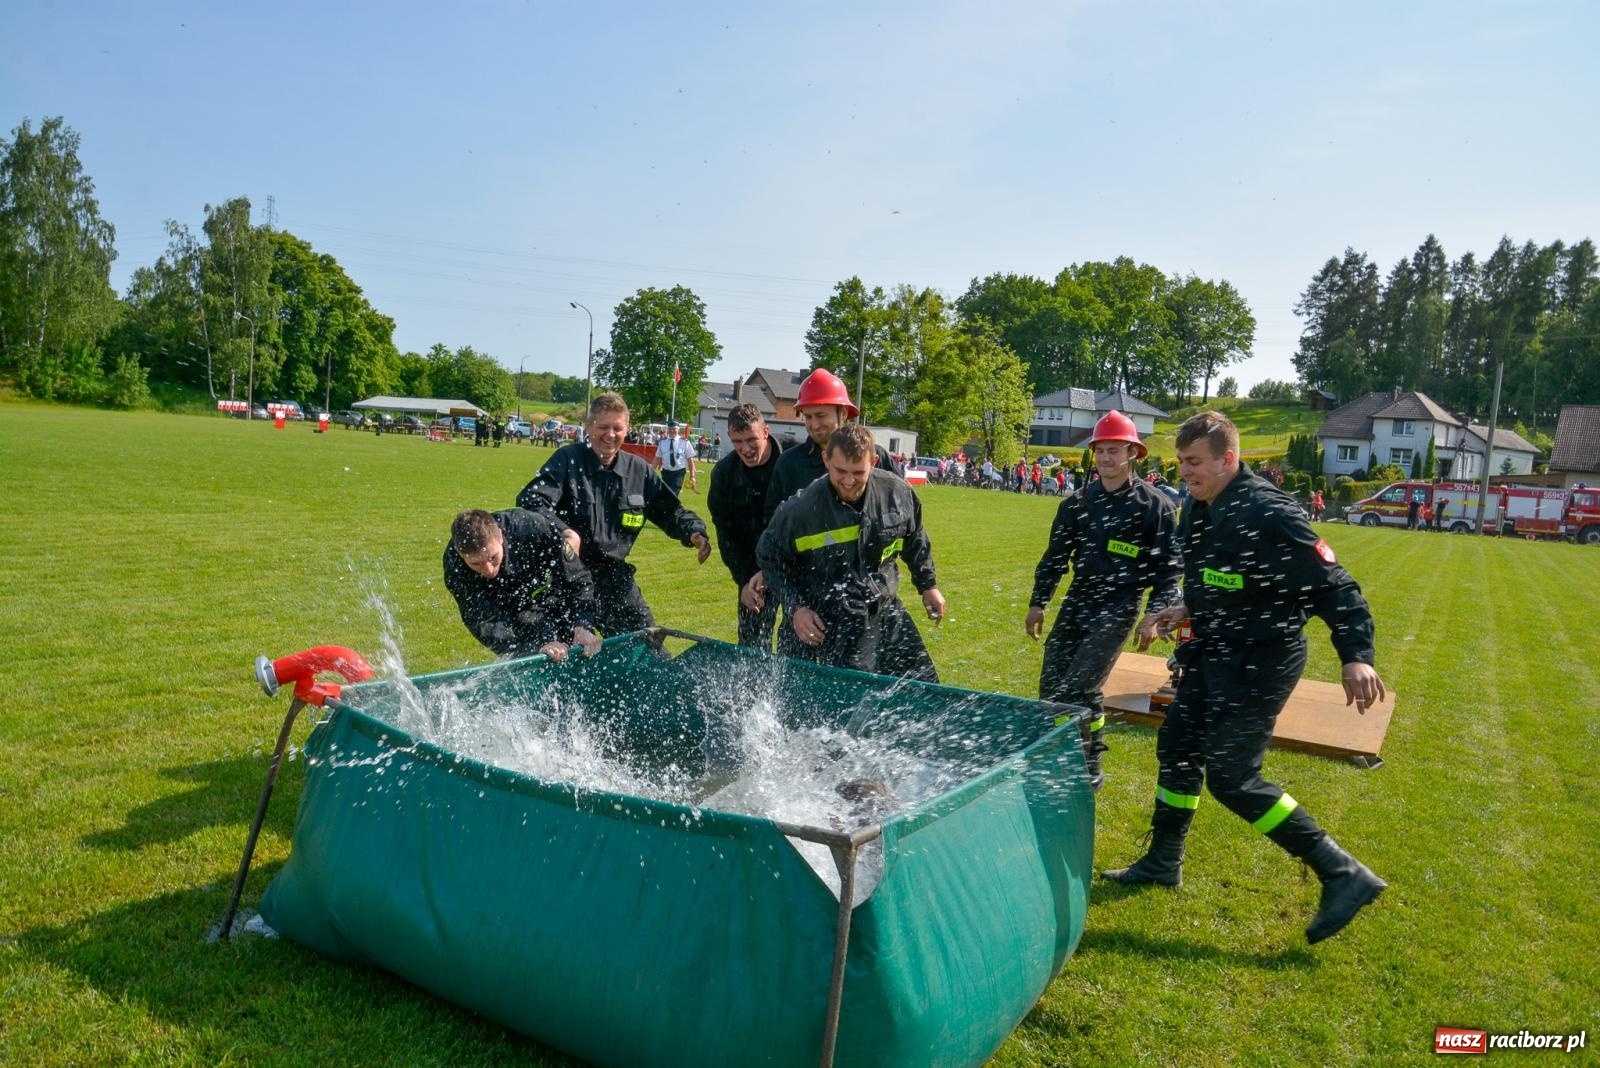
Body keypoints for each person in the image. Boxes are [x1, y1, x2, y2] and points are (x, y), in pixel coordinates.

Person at [1111, 410, 1387, 946]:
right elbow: (1214, 578)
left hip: (1263, 658)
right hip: (1211, 652)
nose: (1184, 471)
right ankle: (1164, 861)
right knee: (1178, 749)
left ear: (1229, 459)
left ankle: (1342, 873)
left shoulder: (1271, 513)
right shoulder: (1197, 506)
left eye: (1194, 463)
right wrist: (1182, 608)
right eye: (1180, 462)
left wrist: (1356, 656)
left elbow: (1336, 587)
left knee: (1234, 778)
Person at [1026, 410, 1182, 792]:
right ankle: (1062, 758)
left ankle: (1090, 762)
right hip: (1078, 601)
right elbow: (1055, 558)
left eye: (1115, 450)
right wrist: (1038, 602)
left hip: (1118, 606)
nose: (1107, 458)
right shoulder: (1077, 504)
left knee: (1080, 686)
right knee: (1051, 688)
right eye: (1101, 451)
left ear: (1133, 453)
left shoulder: (1155, 507)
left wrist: (1153, 615)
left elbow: (1169, 569)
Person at [758, 423, 945, 681]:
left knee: (924, 685)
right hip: (815, 618)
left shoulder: (898, 494)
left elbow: (915, 539)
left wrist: (928, 586)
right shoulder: (799, 510)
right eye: (841, 471)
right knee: (824, 702)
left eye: (858, 472)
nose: (848, 481)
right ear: (826, 460)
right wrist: (796, 609)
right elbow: (769, 558)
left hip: (881, 606)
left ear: (875, 462)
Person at [516, 392, 712, 636]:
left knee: (647, 654)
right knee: (562, 663)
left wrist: (693, 531)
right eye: (603, 427)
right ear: (588, 426)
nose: (610, 435)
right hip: (567, 578)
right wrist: (563, 531)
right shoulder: (567, 460)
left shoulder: (638, 471)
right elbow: (530, 501)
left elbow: (671, 512)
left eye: (617, 428)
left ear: (626, 428)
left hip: (615, 581)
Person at [443, 508, 602, 662]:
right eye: (476, 563)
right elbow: (481, 619)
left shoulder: (533, 527)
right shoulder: (454, 565)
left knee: (579, 643)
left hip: (549, 587)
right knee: (545, 654)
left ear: (499, 535)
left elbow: (578, 578)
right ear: (459, 552)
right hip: (511, 604)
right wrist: (531, 649)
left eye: (493, 557)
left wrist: (583, 625)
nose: (489, 570)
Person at [706, 402, 786, 649]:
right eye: (737, 442)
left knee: (801, 642)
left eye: (751, 439)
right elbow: (726, 535)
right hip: (753, 570)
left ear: (766, 431)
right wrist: (743, 582)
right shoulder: (724, 474)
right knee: (752, 644)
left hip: (798, 562)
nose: (746, 449)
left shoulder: (794, 459)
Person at [653, 420, 698, 496]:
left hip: (678, 473)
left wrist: (692, 476)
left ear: (678, 429)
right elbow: (657, 458)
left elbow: (690, 460)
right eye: (670, 428)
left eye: (674, 429)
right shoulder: (662, 443)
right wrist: (650, 471)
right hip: (666, 473)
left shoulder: (685, 442)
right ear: (667, 429)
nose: (672, 431)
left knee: (672, 494)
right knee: (665, 495)